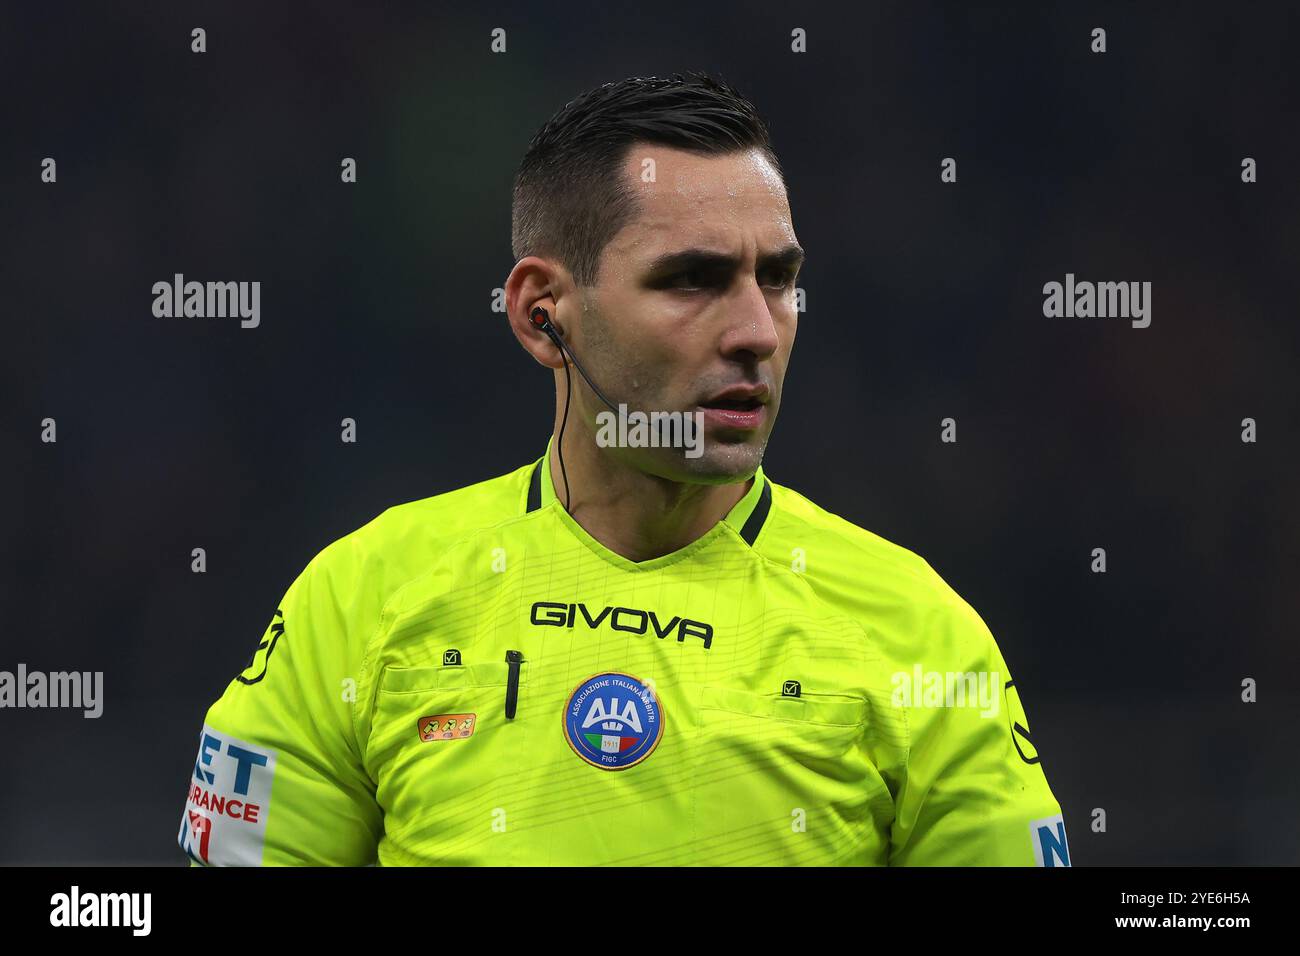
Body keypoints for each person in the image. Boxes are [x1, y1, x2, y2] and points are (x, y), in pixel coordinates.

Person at [179, 71, 1068, 866]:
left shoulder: (918, 635)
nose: (756, 331)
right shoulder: (362, 598)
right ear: (542, 314)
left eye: (777, 279)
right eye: (692, 280)